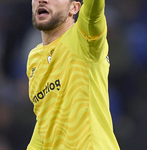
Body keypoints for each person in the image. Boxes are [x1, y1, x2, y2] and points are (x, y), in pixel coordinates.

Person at [26, 0, 120, 149]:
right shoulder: (34, 59)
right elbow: (45, 121)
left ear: (74, 8)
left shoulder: (84, 38)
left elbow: (93, 10)